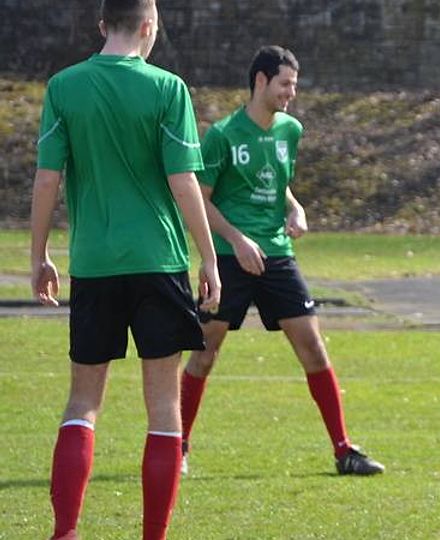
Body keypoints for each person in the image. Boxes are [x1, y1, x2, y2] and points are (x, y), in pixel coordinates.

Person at [31, 1, 221, 539]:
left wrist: (39, 255)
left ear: (101, 26)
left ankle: (65, 531)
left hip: (94, 265)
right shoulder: (168, 89)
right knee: (163, 408)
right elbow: (184, 182)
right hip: (159, 262)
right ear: (148, 27)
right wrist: (209, 258)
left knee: (82, 402)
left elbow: (47, 179)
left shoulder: (64, 87)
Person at [178, 45, 384, 477]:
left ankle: (344, 451)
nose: (292, 93)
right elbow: (200, 201)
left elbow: (279, 184)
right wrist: (237, 240)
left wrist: (296, 209)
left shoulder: (291, 130)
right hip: (231, 258)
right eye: (285, 84)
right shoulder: (223, 135)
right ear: (261, 81)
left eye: (294, 84)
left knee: (313, 347)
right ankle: (177, 447)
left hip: (277, 256)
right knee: (204, 353)